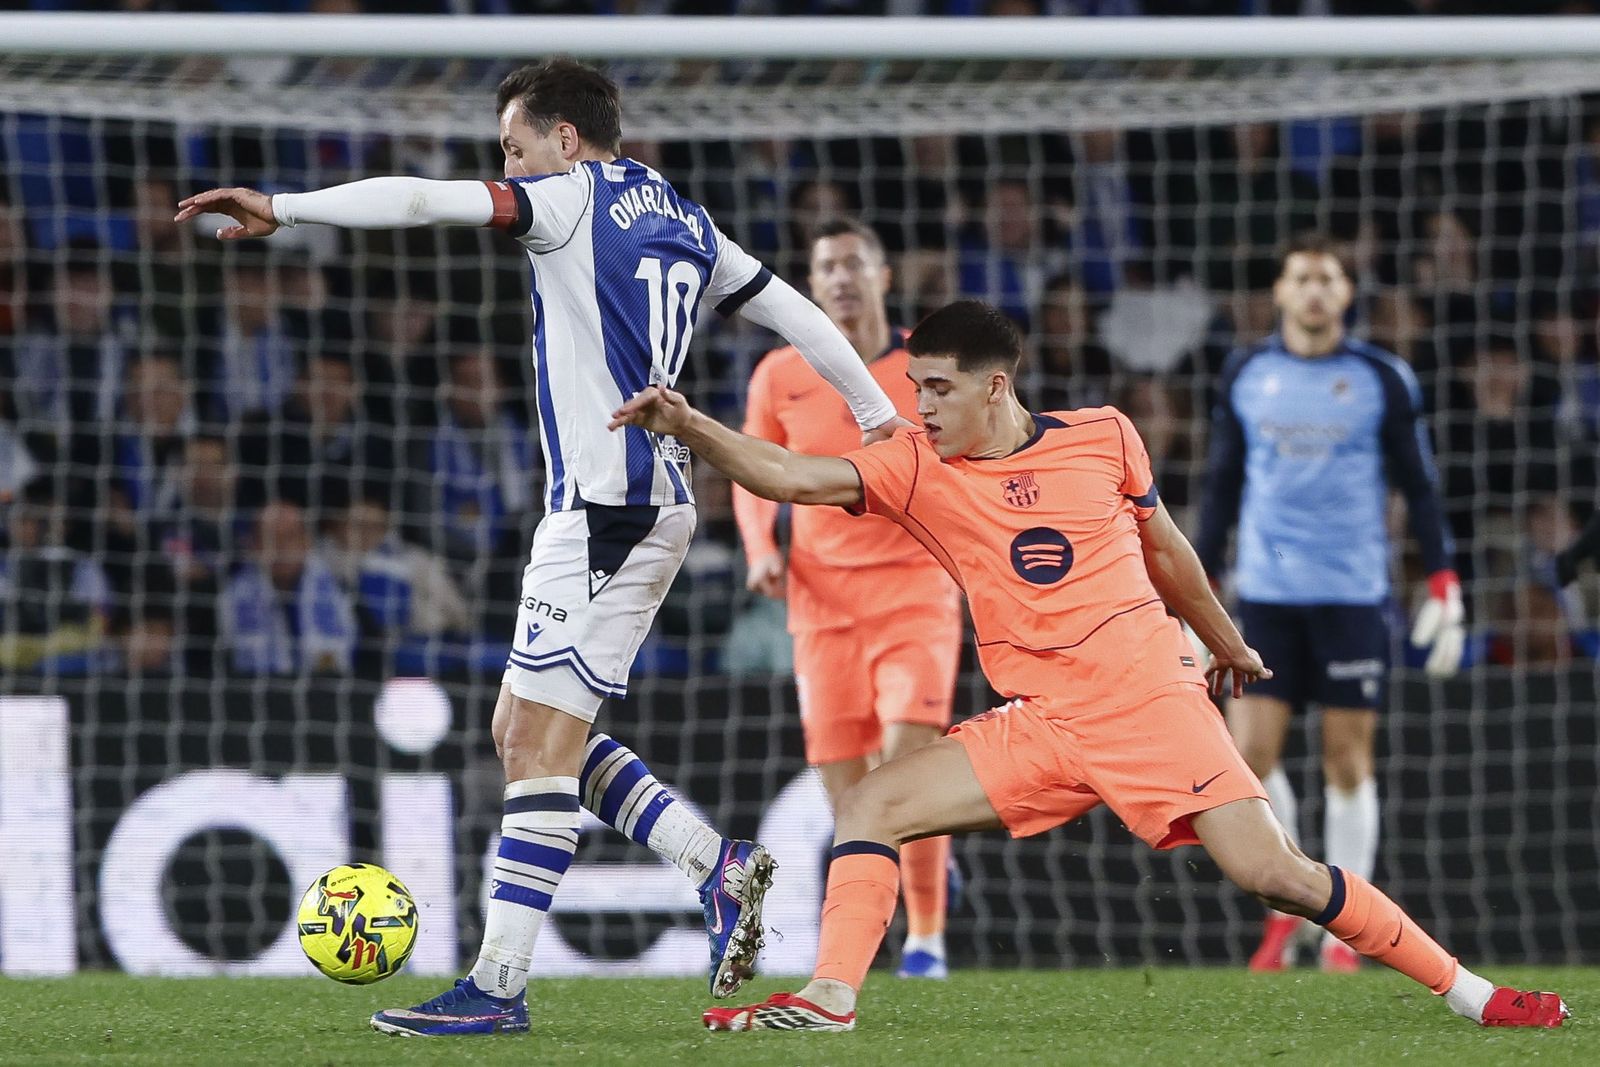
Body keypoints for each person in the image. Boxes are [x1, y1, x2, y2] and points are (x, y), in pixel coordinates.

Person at [177, 57, 904, 1036]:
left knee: (533, 746)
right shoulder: (684, 215)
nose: (507, 167)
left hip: (608, 506)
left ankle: (500, 983)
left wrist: (287, 205)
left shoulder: (564, 201)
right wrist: (872, 410)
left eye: (515, 147)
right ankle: (712, 862)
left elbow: (424, 200)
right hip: (636, 499)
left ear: (566, 137)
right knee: (518, 726)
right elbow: (791, 310)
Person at [609, 299, 1567, 1034]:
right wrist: (689, 424)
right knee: (870, 804)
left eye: (936, 388)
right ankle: (830, 995)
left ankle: (1474, 995)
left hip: (1152, 701)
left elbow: (1169, 550)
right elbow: (790, 474)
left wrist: (1224, 635)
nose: (919, 408)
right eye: (915, 390)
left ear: (995, 385)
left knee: (1272, 871)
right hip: (1046, 721)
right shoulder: (913, 467)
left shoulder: (1104, 434)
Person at [1192, 233, 1466, 973]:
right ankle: (1296, 907)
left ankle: (1349, 932)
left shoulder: (1382, 376)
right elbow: (1222, 485)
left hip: (1351, 595)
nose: (1314, 291)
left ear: (1346, 294)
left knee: (1348, 759)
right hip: (1267, 597)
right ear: (1280, 292)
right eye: (1302, 278)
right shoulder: (1248, 372)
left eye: (1328, 279)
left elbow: (1420, 484)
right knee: (1249, 757)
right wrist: (1199, 581)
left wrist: (1442, 576)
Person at [734, 218, 962, 979]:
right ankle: (883, 925)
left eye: (854, 263)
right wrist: (762, 548)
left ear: (883, 276)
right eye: (825, 264)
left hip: (914, 593)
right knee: (850, 797)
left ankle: (926, 940)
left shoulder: (925, 369)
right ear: (809, 280)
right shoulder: (779, 373)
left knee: (908, 771)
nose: (839, 277)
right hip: (819, 606)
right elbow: (754, 467)